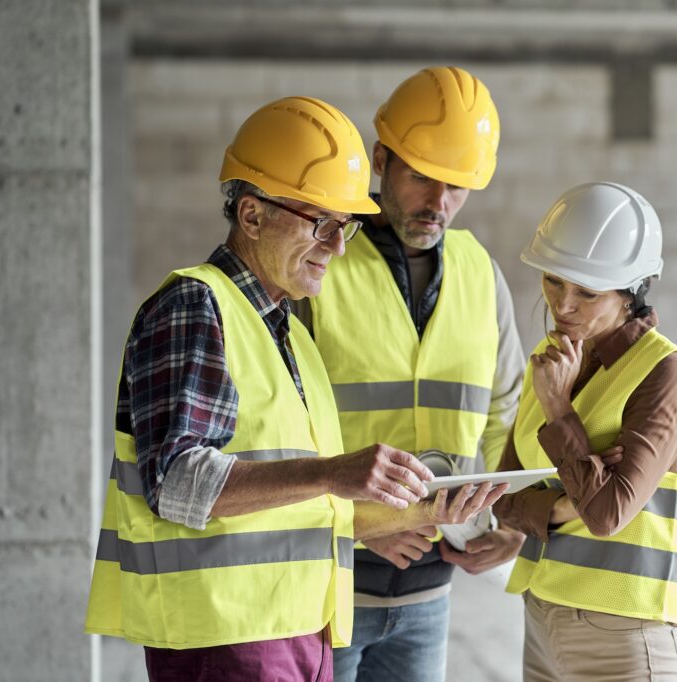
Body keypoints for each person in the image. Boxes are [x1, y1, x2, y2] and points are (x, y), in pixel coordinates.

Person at [83, 96, 505, 682]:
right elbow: (176, 482)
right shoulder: (195, 306)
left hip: (300, 629)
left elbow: (297, 512)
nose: (338, 246)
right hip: (227, 637)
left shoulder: (291, 335)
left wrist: (435, 510)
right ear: (251, 215)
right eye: (321, 224)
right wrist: (333, 472)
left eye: (347, 227)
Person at [292, 66, 526, 682]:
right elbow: (276, 428)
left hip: (431, 594)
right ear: (379, 160)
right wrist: (361, 525)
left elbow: (511, 414)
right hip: (328, 583)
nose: (438, 203)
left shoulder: (481, 274)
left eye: (456, 186)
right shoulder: (318, 265)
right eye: (423, 176)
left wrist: (508, 524)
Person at [493, 182, 677, 681]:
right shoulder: (553, 363)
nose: (563, 305)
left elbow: (605, 514)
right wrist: (562, 504)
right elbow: (503, 498)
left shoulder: (667, 374)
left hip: (628, 634)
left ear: (632, 292)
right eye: (554, 281)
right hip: (541, 619)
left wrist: (560, 410)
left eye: (588, 292)